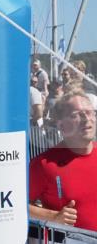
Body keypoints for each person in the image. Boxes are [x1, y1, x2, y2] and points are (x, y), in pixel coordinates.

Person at [28, 91, 96, 231]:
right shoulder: (44, 164)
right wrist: (53, 217)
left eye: (89, 112)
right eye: (75, 115)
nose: (86, 118)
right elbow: (16, 206)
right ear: (61, 126)